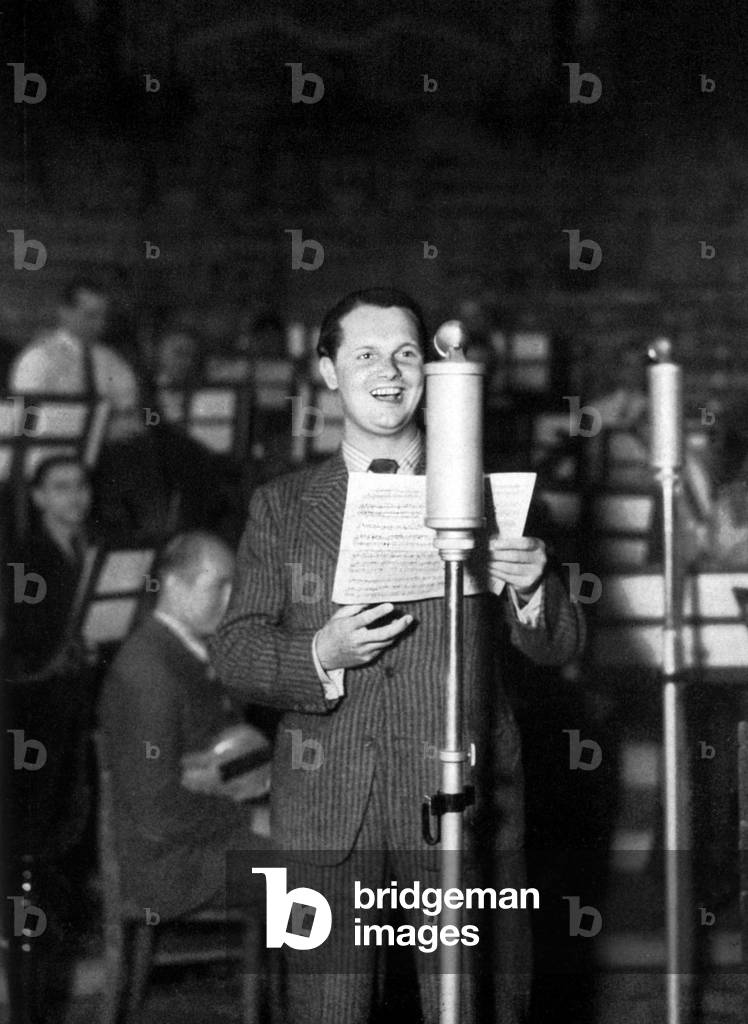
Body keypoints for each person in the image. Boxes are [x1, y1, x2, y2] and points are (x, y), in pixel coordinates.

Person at [211, 287, 586, 1024]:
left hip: (463, 804)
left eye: (407, 353)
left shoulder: (488, 496)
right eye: (366, 355)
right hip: (324, 817)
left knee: (475, 1004)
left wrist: (534, 587)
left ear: (431, 372)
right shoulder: (282, 507)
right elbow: (234, 652)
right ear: (327, 372)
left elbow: (562, 644)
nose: (390, 371)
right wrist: (320, 650)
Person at [98, 531, 271, 921]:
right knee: (326, 865)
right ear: (174, 585)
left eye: (234, 587)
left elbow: (222, 757)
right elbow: (157, 808)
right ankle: (316, 982)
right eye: (217, 587)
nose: (228, 601)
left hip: (198, 839)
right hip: (170, 865)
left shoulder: (185, 653)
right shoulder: (149, 672)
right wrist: (251, 819)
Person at [4, 455, 96, 1023]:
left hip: (76, 722)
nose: (74, 498)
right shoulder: (24, 557)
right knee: (32, 859)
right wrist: (58, 653)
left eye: (80, 486)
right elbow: (18, 643)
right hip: (33, 727)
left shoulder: (92, 552)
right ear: (37, 497)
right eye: (59, 488)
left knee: (68, 852)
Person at [8, 276, 139, 439]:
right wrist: (96, 431)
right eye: (91, 316)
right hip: (51, 455)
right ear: (65, 312)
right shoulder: (38, 358)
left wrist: (124, 421)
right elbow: (26, 420)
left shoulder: (110, 360)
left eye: (103, 316)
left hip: (106, 455)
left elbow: (128, 406)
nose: (100, 325)